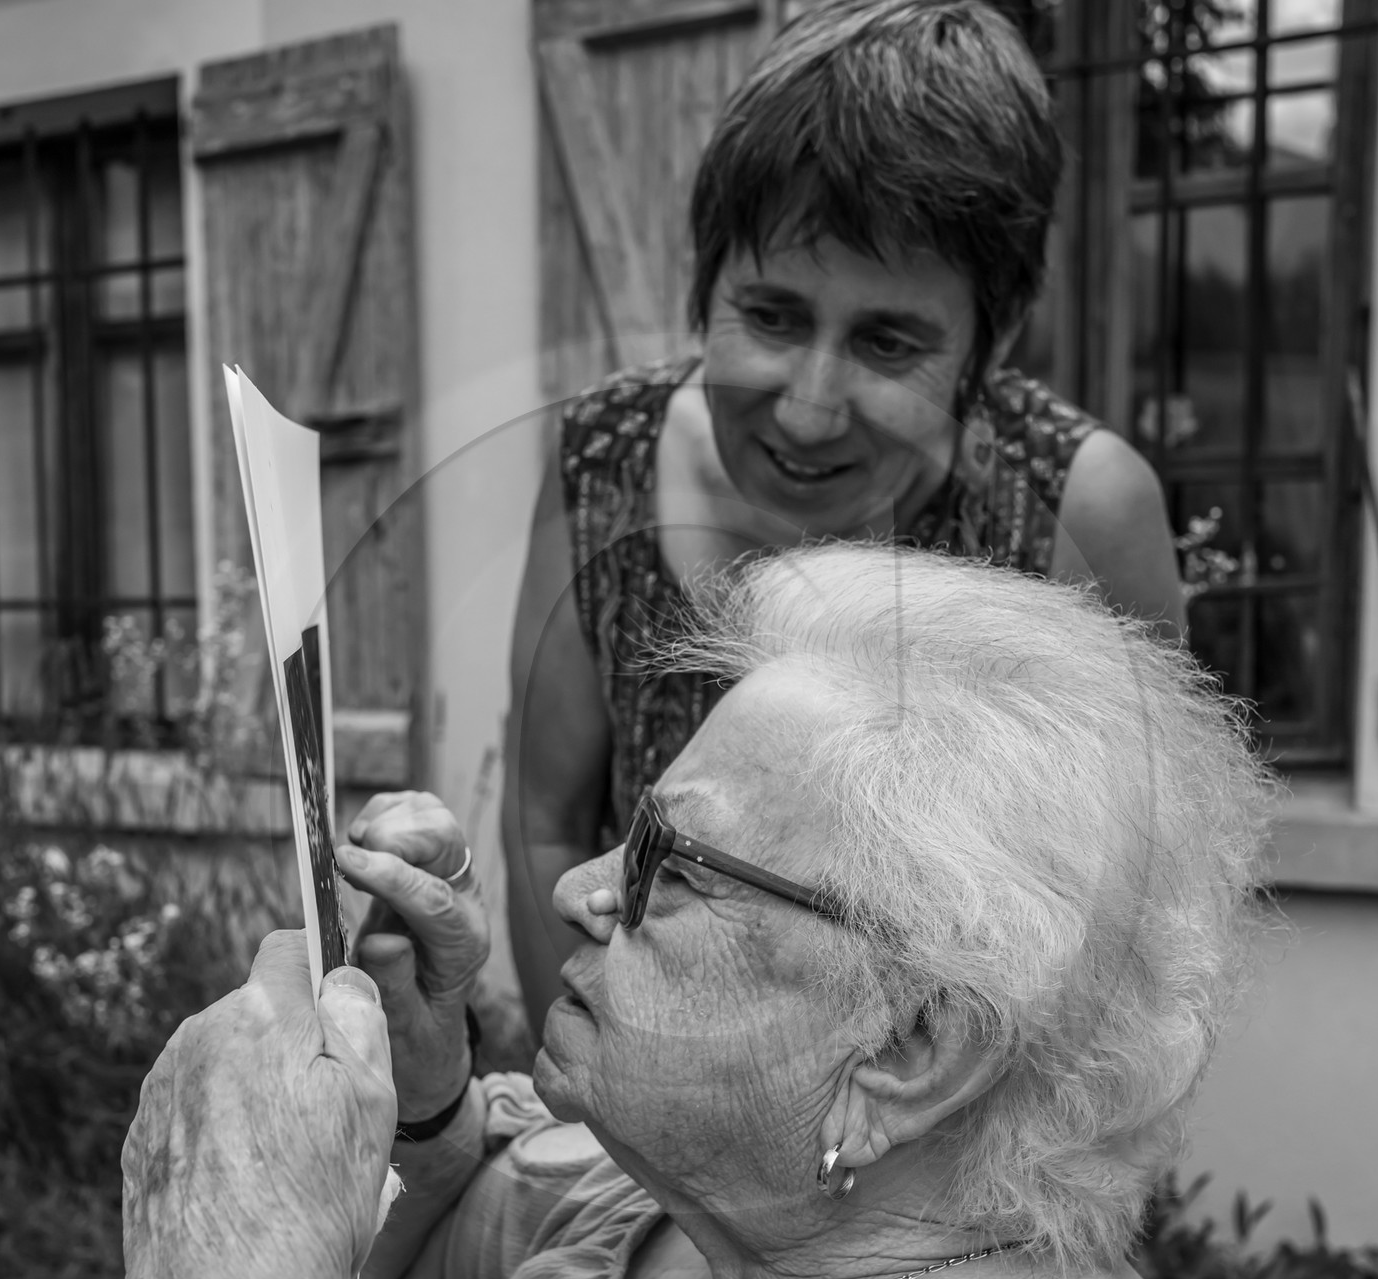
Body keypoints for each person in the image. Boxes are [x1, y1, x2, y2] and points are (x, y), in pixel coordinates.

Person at [111, 546, 1360, 1279]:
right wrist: (423, 1084)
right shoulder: (679, 1226)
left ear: (910, 1050)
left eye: (673, 865)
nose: (577, 893)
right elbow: (439, 1250)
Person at [506, 0, 1188, 1037]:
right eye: (771, 316)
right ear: (705, 283)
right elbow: (547, 822)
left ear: (990, 342)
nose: (809, 409)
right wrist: (597, 1097)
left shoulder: (1076, 511)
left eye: (887, 344)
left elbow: (1137, 922)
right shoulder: (601, 462)